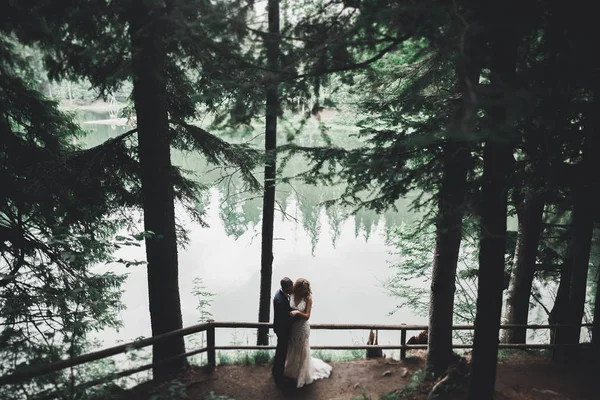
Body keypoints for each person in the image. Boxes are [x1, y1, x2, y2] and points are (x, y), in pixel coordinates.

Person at [284, 278, 332, 388]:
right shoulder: (291, 293)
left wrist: (297, 312)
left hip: (302, 328)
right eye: (302, 289)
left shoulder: (308, 298)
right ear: (297, 288)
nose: (304, 291)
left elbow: (307, 316)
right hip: (292, 328)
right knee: (293, 349)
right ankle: (292, 370)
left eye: (306, 289)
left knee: (302, 351)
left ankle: (302, 374)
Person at [272, 277, 294, 384]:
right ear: (286, 288)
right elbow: (285, 319)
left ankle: (275, 371)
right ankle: (278, 377)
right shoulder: (280, 301)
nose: (292, 288)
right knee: (282, 352)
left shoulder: (280, 294)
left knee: (280, 351)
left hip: (279, 328)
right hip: (282, 330)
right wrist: (297, 315)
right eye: (291, 287)